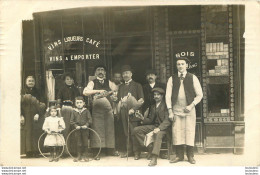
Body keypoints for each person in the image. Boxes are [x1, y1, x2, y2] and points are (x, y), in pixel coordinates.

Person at [166, 57, 203, 164]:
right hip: (176, 110)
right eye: (178, 64)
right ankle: (179, 156)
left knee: (189, 131)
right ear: (176, 66)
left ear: (187, 65)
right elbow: (168, 96)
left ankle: (190, 156)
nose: (180, 66)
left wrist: (191, 106)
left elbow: (200, 95)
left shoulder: (193, 77)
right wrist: (170, 111)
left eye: (182, 64)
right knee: (177, 132)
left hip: (189, 110)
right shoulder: (171, 79)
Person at [83, 65, 117, 160]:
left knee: (109, 128)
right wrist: (99, 91)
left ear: (105, 72)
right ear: (95, 73)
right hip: (97, 109)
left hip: (108, 109)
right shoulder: (92, 82)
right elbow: (85, 92)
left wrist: (114, 96)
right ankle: (97, 151)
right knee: (98, 128)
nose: (100, 72)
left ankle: (110, 149)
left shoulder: (109, 82)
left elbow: (115, 90)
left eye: (102, 70)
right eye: (98, 70)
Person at [133, 87, 171, 166]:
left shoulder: (167, 106)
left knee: (158, 134)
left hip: (164, 128)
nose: (156, 96)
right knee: (136, 130)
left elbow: (167, 121)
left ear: (162, 96)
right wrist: (142, 117)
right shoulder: (153, 106)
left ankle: (154, 158)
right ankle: (149, 146)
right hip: (154, 126)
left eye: (158, 95)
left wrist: (159, 128)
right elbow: (150, 120)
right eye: (155, 95)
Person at [117, 65, 144, 158]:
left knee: (134, 132)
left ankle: (137, 152)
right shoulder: (120, 87)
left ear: (131, 74)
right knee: (126, 132)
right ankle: (129, 151)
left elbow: (141, 100)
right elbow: (118, 100)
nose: (125, 75)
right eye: (124, 73)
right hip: (124, 112)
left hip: (134, 112)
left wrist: (133, 109)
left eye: (127, 73)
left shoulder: (137, 85)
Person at [57, 72, 80, 156]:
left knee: (73, 129)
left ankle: (73, 151)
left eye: (71, 79)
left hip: (74, 110)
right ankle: (64, 151)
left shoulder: (76, 89)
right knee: (65, 129)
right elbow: (59, 100)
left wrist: (77, 108)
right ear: (64, 80)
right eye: (67, 79)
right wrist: (59, 109)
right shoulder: (61, 89)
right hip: (65, 110)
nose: (69, 81)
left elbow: (79, 99)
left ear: (73, 80)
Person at [21, 94, 46, 158]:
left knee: (35, 135)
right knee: (27, 134)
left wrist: (38, 113)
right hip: (26, 120)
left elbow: (43, 106)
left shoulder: (31, 100)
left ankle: (35, 151)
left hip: (34, 120)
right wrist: (20, 115)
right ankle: (28, 151)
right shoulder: (20, 102)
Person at [70, 96, 92, 162]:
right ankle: (79, 155)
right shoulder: (74, 111)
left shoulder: (86, 111)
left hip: (85, 129)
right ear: (75, 104)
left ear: (83, 103)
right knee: (78, 142)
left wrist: (86, 125)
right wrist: (75, 126)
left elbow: (90, 120)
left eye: (80, 102)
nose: (79, 104)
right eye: (77, 103)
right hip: (77, 129)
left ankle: (85, 155)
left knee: (85, 142)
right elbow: (71, 121)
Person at [111, 71, 124, 156]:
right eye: (116, 77)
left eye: (119, 77)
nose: (117, 79)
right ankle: (114, 148)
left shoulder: (123, 86)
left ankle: (121, 148)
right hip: (112, 110)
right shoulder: (110, 85)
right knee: (113, 130)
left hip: (120, 110)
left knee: (120, 130)